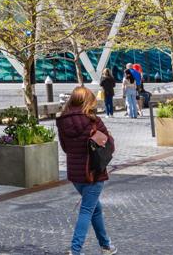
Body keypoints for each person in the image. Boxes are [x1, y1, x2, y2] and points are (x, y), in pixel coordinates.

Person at [56, 86, 117, 255]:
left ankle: (106, 246)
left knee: (94, 209)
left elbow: (65, 148)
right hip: (93, 172)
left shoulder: (62, 121)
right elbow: (110, 145)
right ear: (86, 101)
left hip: (76, 174)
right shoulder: (93, 120)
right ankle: (75, 250)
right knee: (87, 211)